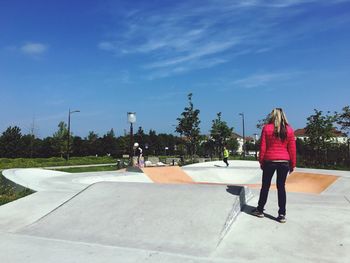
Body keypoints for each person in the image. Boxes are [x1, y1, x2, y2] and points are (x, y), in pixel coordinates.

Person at [252, 108, 296, 223]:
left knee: (265, 186)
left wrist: (261, 161)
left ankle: (260, 210)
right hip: (284, 162)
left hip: (269, 161)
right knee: (281, 187)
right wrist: (292, 164)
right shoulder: (289, 130)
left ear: (272, 116)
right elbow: (292, 149)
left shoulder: (266, 128)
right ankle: (282, 214)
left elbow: (263, 147)